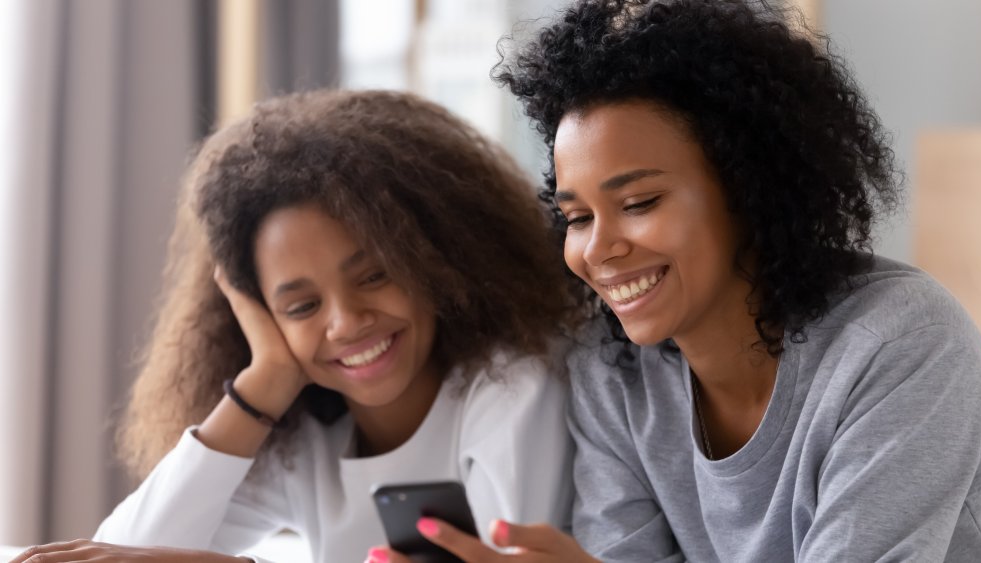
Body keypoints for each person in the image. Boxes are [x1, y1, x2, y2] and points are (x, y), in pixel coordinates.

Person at [387, 1, 981, 561]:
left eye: (640, 201)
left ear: (749, 189)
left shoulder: (900, 345)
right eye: (576, 217)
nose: (597, 249)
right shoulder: (614, 375)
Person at [13, 89, 577, 563]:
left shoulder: (512, 389)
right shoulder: (306, 441)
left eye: (375, 275)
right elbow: (120, 555)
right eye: (302, 306)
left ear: (432, 258)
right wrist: (266, 380)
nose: (346, 321)